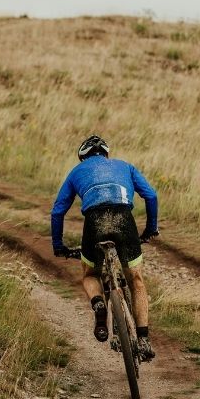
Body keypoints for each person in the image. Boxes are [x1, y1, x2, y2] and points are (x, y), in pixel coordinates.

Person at [51, 135, 159, 361]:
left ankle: (99, 303)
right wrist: (150, 230)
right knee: (136, 280)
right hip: (123, 219)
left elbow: (58, 211)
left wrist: (59, 245)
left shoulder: (76, 172)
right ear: (106, 154)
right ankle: (143, 338)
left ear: (83, 157)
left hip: (94, 222)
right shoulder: (125, 166)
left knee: (91, 273)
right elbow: (151, 195)